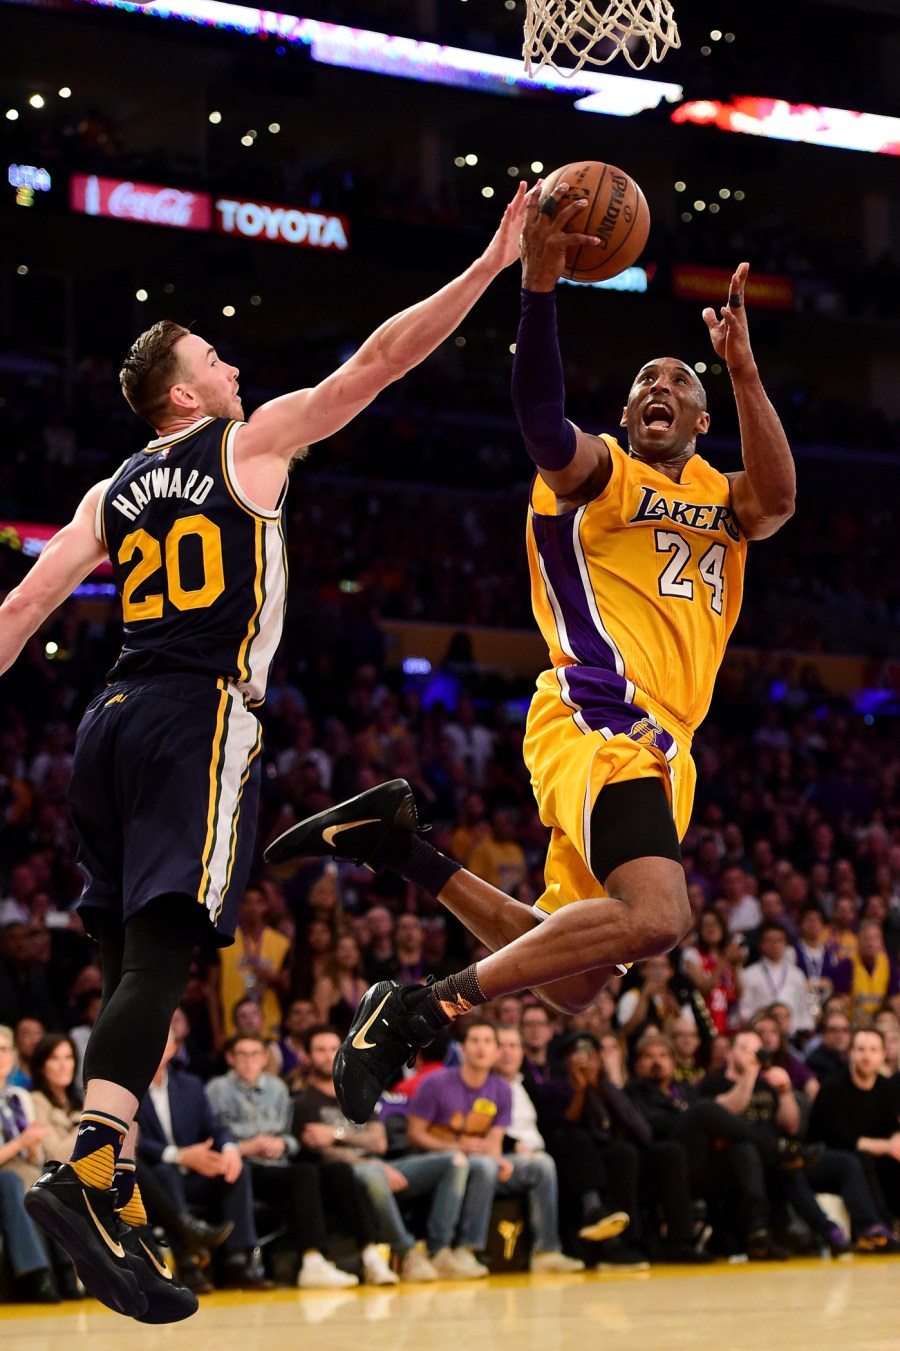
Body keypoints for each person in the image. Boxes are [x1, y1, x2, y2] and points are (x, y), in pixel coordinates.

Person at [0, 184, 528, 1321]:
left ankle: (116, 1175)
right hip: (197, 713)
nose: (233, 361)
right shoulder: (248, 444)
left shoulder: (109, 490)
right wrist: (488, 267)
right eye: (214, 354)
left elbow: (17, 613)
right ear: (181, 393)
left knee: (136, 968)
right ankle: (90, 1166)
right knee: (158, 966)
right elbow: (377, 365)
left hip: (105, 723)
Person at [265, 179, 796, 1125]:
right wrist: (540, 290)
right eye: (643, 382)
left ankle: (398, 848)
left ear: (704, 417)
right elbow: (542, 425)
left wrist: (746, 374)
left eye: (678, 381)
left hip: (668, 741)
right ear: (628, 414)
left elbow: (781, 498)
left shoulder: (726, 498)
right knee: (662, 915)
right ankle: (420, 1007)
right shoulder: (601, 473)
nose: (657, 389)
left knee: (577, 977)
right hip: (599, 712)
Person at [292, 1025, 470, 1284]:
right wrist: (371, 1161)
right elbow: (327, 1155)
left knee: (455, 1161)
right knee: (374, 1173)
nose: (328, 1055)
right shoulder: (304, 1103)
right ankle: (407, 1253)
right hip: (348, 1174)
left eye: (333, 1048)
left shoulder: (357, 1091)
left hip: (381, 1164)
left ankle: (440, 1250)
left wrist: (337, 1135)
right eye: (320, 1050)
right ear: (307, 1056)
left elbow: (379, 1143)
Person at [406, 1020, 583, 1275]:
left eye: (488, 1042)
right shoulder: (435, 1084)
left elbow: (494, 1143)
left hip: (482, 1164)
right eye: (474, 1041)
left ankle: (546, 1251)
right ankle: (465, 1250)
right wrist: (459, 1148)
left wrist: (500, 1159)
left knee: (541, 1164)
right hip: (441, 1163)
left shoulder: (501, 1089)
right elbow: (415, 1135)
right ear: (462, 1049)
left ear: (496, 1051)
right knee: (485, 1165)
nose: (481, 1048)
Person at [206, 1030, 364, 1289]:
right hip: (240, 1166)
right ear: (230, 1058)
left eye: (255, 1054)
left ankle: (336, 1257)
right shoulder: (216, 1090)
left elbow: (292, 1138)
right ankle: (301, 1261)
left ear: (265, 1057)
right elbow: (210, 1137)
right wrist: (247, 1147)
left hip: (275, 1167)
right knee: (295, 1173)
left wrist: (281, 1144)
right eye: (241, 1055)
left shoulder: (277, 1089)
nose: (248, 1061)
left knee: (321, 1171)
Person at [136, 1023, 273, 1295]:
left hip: (196, 1174)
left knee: (236, 1169)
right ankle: (187, 1262)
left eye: (164, 1041)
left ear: (174, 1048)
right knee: (166, 1171)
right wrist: (179, 1156)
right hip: (154, 1178)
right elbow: (133, 1141)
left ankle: (237, 1259)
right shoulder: (129, 1088)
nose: (157, 1047)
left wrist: (230, 1150)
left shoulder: (190, 1085)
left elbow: (215, 1127)